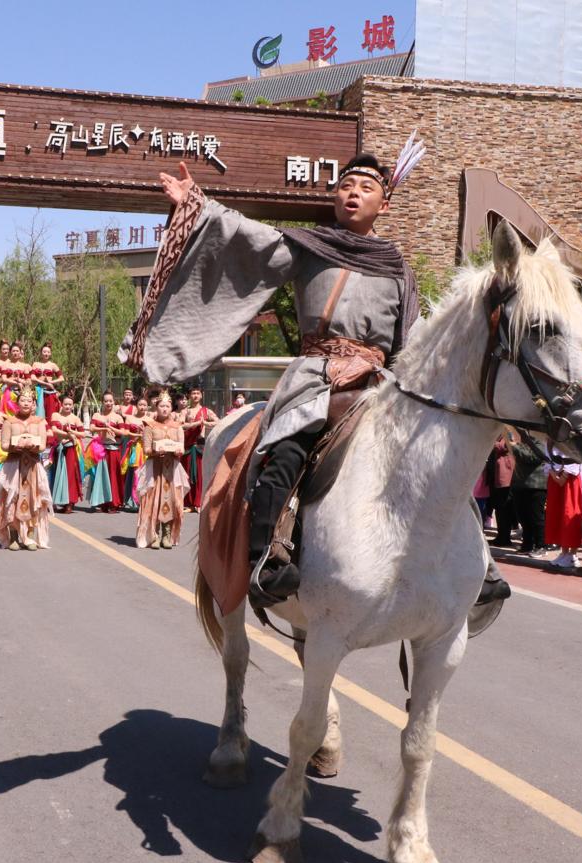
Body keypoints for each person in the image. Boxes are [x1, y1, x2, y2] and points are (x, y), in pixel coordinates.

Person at [123, 153, 429, 607]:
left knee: (432, 454)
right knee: (287, 451)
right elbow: (246, 238)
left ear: (384, 205)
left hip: (379, 384)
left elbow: (415, 337)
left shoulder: (398, 268)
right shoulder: (309, 247)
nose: (353, 193)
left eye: (366, 188)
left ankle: (470, 564)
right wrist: (195, 205)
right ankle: (269, 555)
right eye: (347, 186)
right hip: (316, 376)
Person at [0, 387, 51, 550]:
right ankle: (13, 536)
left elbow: (42, 446)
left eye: (29, 401)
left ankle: (30, 536)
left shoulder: (40, 422)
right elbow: (4, 445)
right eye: (22, 400)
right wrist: (15, 445)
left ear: (34, 404)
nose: (25, 403)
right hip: (14, 465)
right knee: (12, 499)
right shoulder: (9, 421)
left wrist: (33, 445)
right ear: (17, 403)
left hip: (33, 465)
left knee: (35, 499)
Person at [136, 393, 189, 549]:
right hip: (155, 468)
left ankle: (167, 534)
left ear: (171, 408)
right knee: (153, 500)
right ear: (156, 407)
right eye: (161, 406)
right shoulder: (149, 425)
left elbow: (182, 448)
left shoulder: (177, 426)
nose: (164, 409)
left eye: (167, 406)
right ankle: (154, 534)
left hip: (172, 469)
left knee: (172, 500)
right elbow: (146, 449)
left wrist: (178, 452)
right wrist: (156, 451)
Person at [543, 447, 582, 569]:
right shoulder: (550, 439)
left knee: (570, 513)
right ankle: (564, 552)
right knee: (557, 513)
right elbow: (547, 457)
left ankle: (572, 554)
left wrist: (564, 475)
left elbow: (576, 455)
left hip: (572, 477)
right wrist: (553, 473)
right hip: (555, 476)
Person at [86, 392, 126, 512]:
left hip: (113, 449)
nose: (108, 403)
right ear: (102, 402)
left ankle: (114, 503)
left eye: (110, 401)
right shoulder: (97, 415)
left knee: (113, 476)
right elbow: (92, 428)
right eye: (106, 401)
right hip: (101, 449)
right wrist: (104, 428)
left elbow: (123, 432)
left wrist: (112, 428)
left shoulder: (118, 417)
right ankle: (102, 502)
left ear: (114, 402)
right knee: (101, 476)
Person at [509, 434, 549, 556]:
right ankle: (527, 544)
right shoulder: (523, 441)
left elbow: (531, 457)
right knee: (523, 517)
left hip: (536, 486)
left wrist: (514, 446)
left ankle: (541, 546)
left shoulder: (541, 441)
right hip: (519, 485)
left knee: (536, 518)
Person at [180, 385, 218, 511]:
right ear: (190, 396)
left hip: (200, 446)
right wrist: (194, 424)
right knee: (187, 474)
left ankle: (199, 502)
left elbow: (218, 421)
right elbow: (180, 425)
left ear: (201, 395)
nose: (195, 395)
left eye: (197, 393)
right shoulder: (185, 411)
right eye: (193, 393)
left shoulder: (207, 411)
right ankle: (188, 502)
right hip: (188, 447)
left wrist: (206, 423)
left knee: (201, 475)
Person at [48, 394, 85, 513]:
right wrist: (68, 434)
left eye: (70, 404)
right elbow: (53, 429)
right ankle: (53, 501)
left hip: (70, 449)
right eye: (65, 404)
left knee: (70, 476)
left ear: (73, 406)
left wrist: (72, 432)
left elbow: (82, 434)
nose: (68, 406)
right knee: (54, 474)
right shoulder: (55, 415)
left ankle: (69, 502)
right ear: (61, 404)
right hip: (58, 448)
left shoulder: (75, 418)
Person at [488, 432, 517, 546]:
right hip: (496, 477)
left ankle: (505, 538)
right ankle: (501, 536)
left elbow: (506, 446)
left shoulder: (507, 433)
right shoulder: (498, 434)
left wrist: (490, 442)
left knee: (504, 508)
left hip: (505, 478)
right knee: (499, 509)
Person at [31, 343, 65, 419]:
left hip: (49, 392)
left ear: (50, 353)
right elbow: (32, 378)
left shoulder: (53, 365)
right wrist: (44, 383)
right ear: (41, 353)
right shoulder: (35, 364)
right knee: (36, 412)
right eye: (44, 352)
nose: (46, 354)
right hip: (38, 390)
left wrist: (51, 382)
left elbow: (62, 378)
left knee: (50, 413)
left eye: (48, 352)